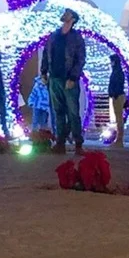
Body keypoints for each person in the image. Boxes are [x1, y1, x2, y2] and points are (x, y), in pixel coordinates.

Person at [41, 8, 86, 154]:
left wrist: (73, 77)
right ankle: (60, 142)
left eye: (68, 13)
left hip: (68, 79)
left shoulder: (76, 38)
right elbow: (46, 53)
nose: (64, 15)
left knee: (73, 112)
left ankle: (78, 143)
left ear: (73, 19)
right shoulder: (54, 35)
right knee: (58, 111)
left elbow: (80, 59)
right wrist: (44, 71)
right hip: (55, 78)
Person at [107, 54, 126, 148]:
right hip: (116, 96)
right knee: (118, 118)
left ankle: (119, 139)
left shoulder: (117, 72)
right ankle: (119, 138)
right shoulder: (118, 71)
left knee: (119, 118)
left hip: (117, 96)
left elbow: (116, 84)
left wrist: (113, 94)